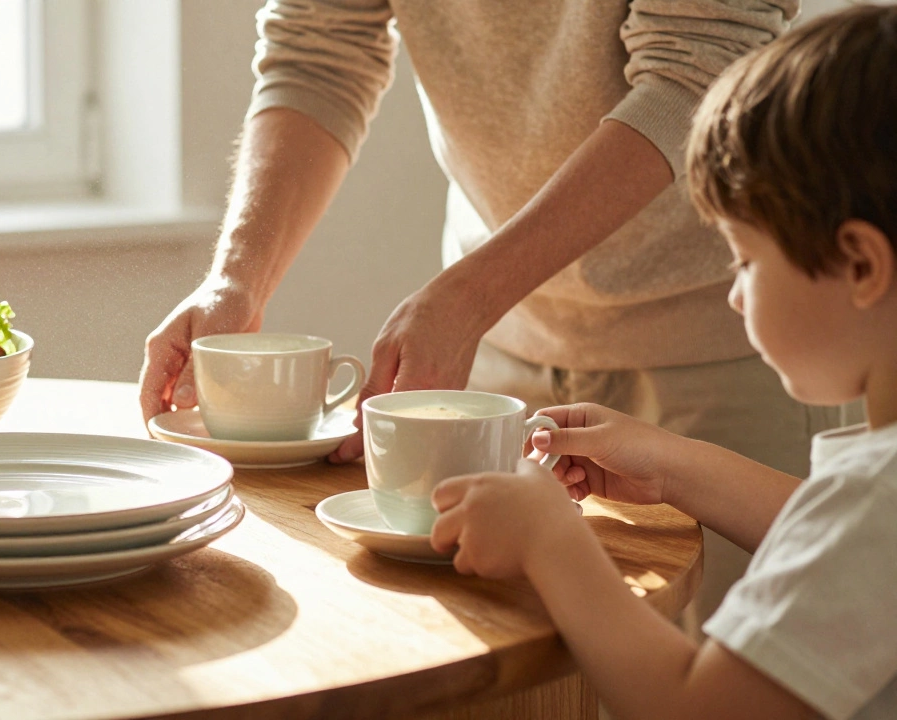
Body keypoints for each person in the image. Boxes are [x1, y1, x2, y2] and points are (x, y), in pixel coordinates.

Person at [138, 0, 836, 624]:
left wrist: (471, 295)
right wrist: (236, 280)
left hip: (724, 342)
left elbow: (697, 74)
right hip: (500, 348)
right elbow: (318, 53)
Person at [429, 7, 897, 718]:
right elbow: (850, 549)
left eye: (744, 261)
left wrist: (552, 542)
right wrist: (669, 464)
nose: (736, 298)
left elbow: (697, 709)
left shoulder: (874, 496)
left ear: (861, 264)